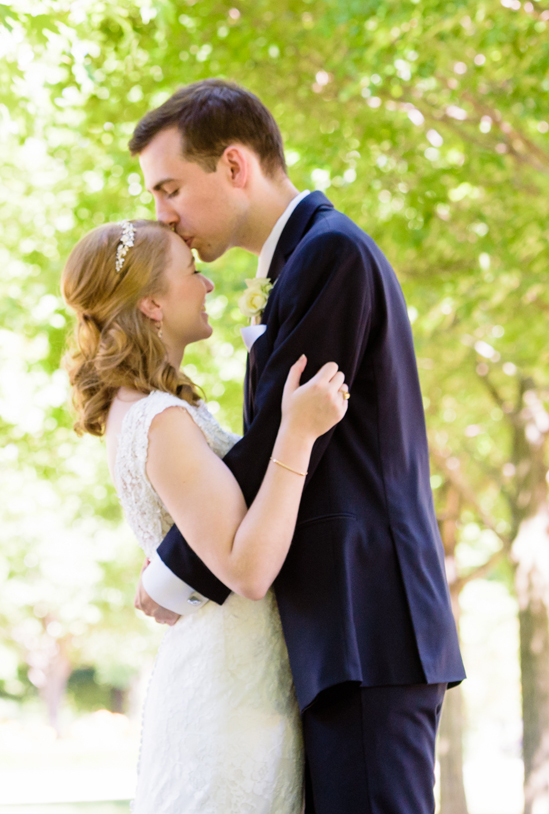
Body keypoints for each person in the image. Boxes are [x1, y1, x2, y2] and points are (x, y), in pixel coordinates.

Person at [129, 79, 465, 814]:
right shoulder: (304, 260)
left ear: (236, 165)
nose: (165, 216)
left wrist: (174, 569)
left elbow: (273, 446)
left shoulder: (329, 255)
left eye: (172, 188)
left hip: (366, 625)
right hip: (342, 634)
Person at [61, 217, 349, 814]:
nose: (209, 285)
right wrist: (297, 433)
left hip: (238, 677)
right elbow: (247, 570)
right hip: (230, 695)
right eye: (192, 272)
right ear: (153, 305)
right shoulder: (159, 420)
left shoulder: (143, 409)